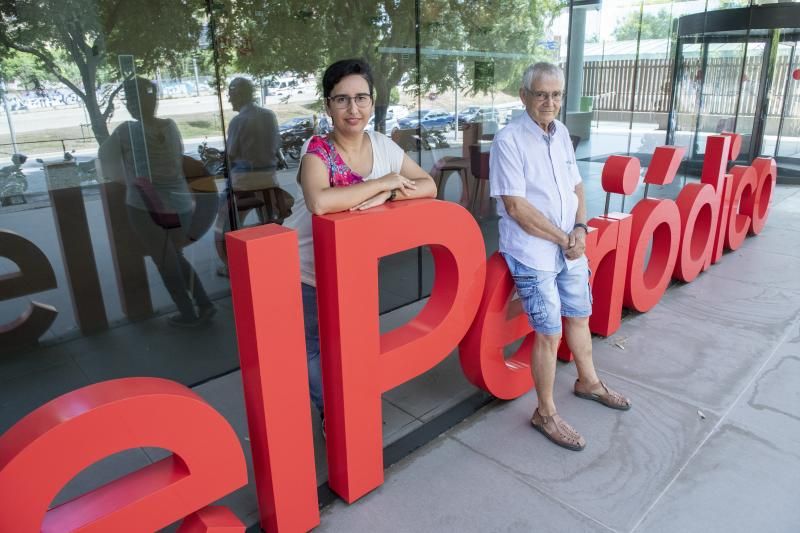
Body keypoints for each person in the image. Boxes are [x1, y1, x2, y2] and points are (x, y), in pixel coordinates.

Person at [283, 58, 437, 423]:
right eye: (342, 99)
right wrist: (383, 182)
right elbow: (320, 201)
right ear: (328, 106)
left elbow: (428, 186)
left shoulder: (383, 146)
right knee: (311, 349)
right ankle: (332, 416)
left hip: (353, 270)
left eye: (361, 98)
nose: (353, 109)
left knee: (351, 346)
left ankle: (353, 411)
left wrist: (390, 196)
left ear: (372, 102)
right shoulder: (317, 149)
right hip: (302, 270)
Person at [489, 62, 631, 451]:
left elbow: (576, 186)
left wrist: (581, 229)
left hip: (569, 246)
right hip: (533, 252)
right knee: (549, 331)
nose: (549, 102)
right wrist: (563, 237)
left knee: (580, 314)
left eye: (556, 95)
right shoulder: (509, 140)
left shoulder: (562, 132)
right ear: (524, 96)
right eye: (541, 94)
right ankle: (545, 412)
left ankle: (588, 381)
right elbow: (516, 207)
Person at [99, 77, 216, 328]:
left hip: (145, 206)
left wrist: (127, 180)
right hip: (180, 205)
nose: (129, 104)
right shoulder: (171, 126)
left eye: (130, 99)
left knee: (165, 261)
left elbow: (105, 160)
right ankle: (203, 303)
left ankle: (189, 312)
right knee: (175, 256)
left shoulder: (126, 131)